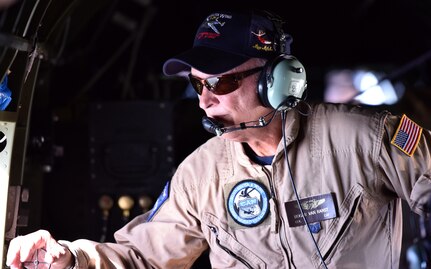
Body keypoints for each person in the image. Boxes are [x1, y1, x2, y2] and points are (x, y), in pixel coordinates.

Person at [6, 9, 431, 269]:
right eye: (197, 84)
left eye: (221, 82)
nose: (204, 101)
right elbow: (143, 259)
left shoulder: (365, 138)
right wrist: (69, 259)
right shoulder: (200, 175)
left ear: (277, 80)